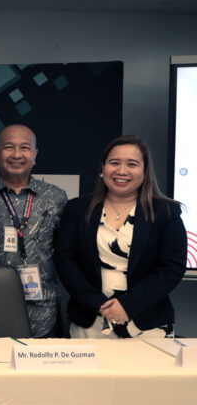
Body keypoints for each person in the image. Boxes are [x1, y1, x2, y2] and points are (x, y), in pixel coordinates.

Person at [54, 135, 185, 338]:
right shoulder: (77, 209)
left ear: (145, 171)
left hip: (147, 324)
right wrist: (99, 304)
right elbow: (65, 261)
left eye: (132, 164)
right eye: (114, 163)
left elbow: (171, 268)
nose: (121, 171)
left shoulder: (165, 212)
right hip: (91, 322)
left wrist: (127, 306)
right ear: (103, 168)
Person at [0, 124, 68, 337]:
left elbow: (68, 252)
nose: (16, 155)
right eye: (9, 147)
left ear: (35, 154)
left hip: (43, 310)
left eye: (24, 148)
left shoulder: (55, 197)